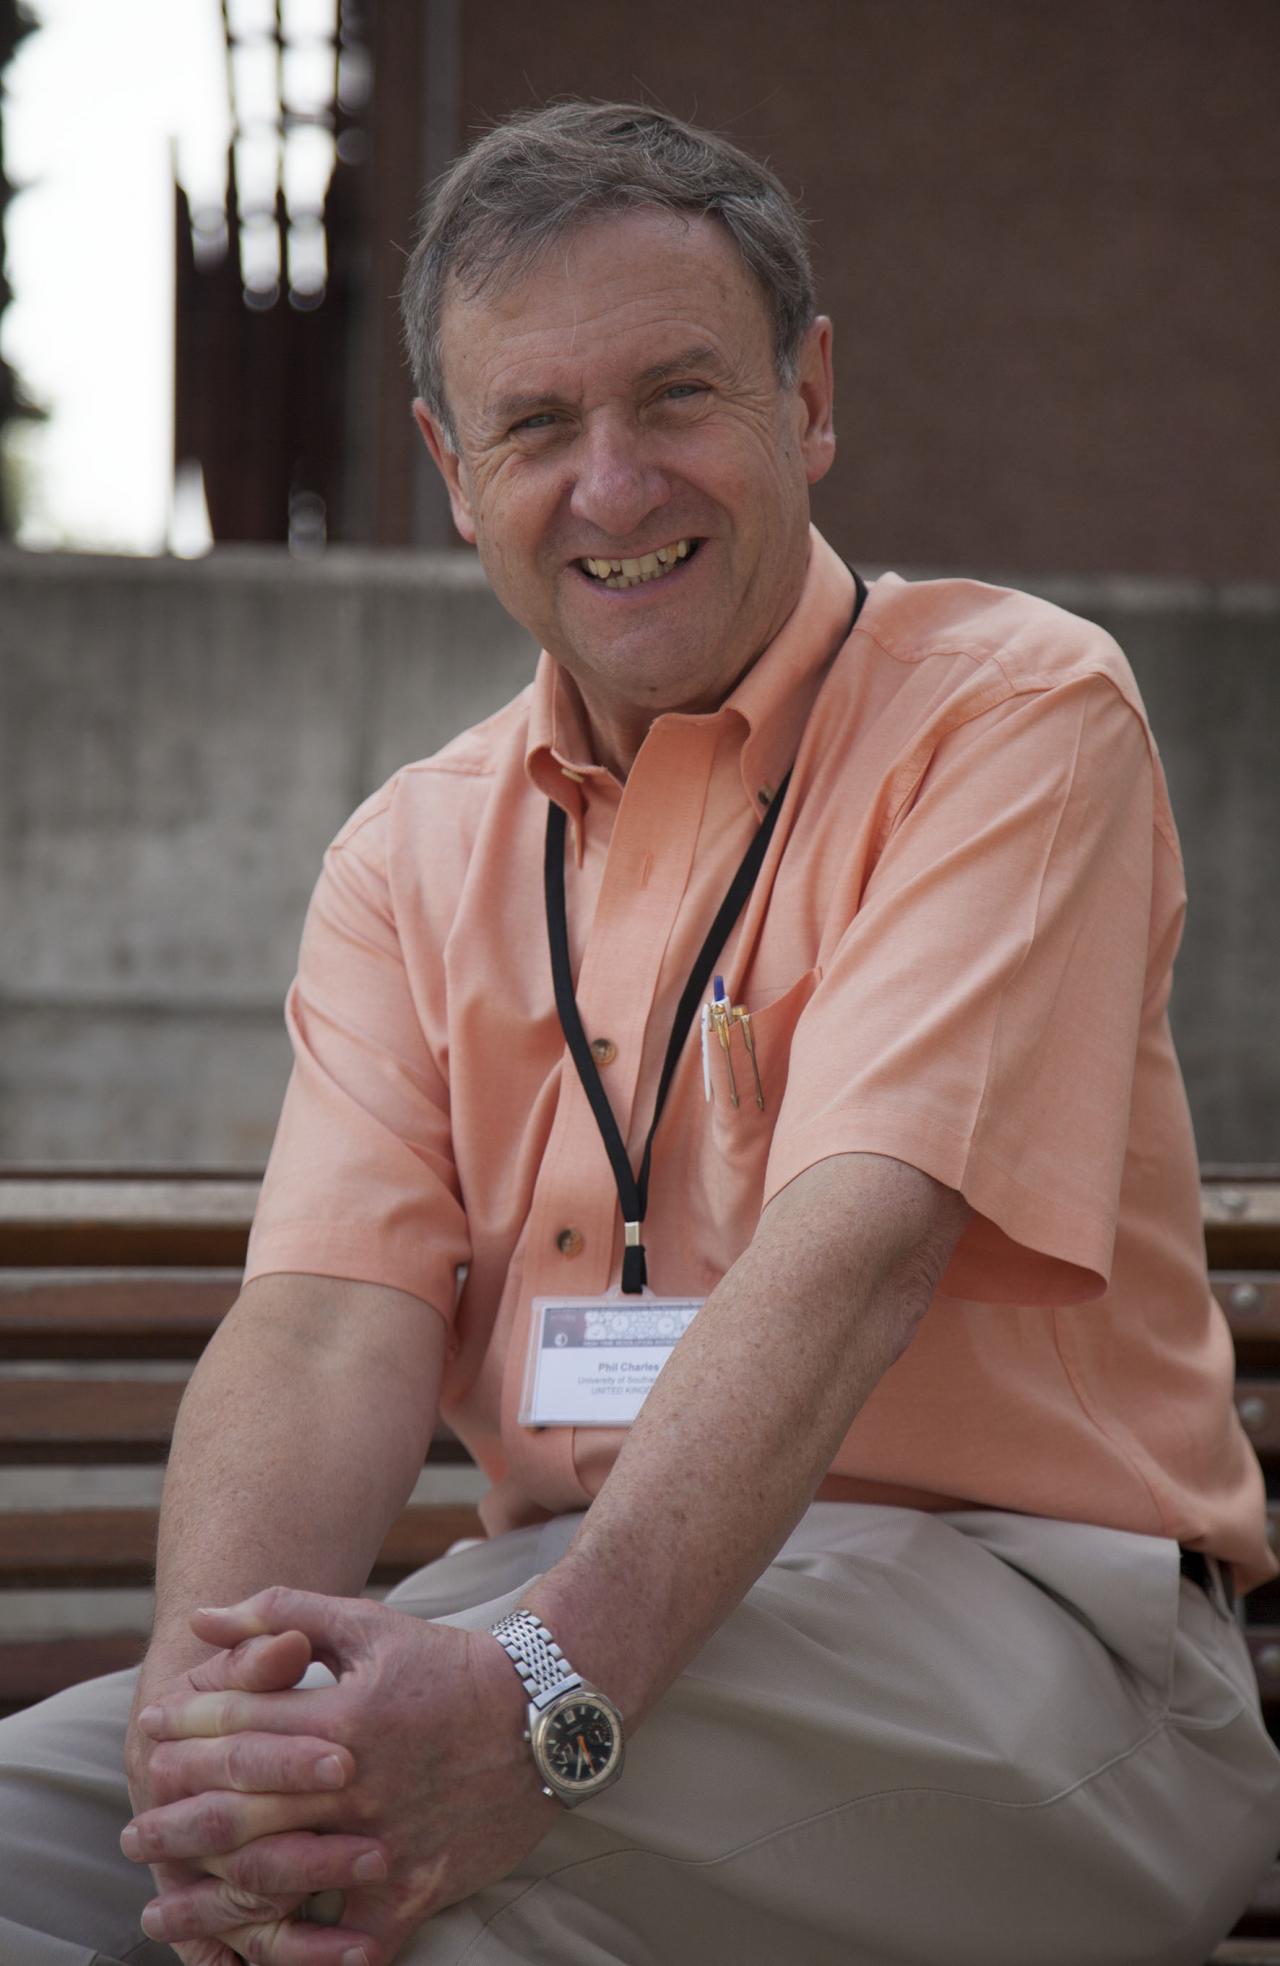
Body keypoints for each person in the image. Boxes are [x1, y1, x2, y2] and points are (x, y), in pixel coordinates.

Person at [1, 99, 1277, 1966]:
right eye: (536, 424)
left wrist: (532, 1700)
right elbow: (320, 1324)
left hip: (1036, 1638)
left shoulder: (1010, 717)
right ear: (450, 463)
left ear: (808, 397)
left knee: (425, 1922)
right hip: (554, 1600)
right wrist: (224, 1747)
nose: (614, 486)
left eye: (678, 398)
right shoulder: (412, 849)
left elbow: (856, 1248)